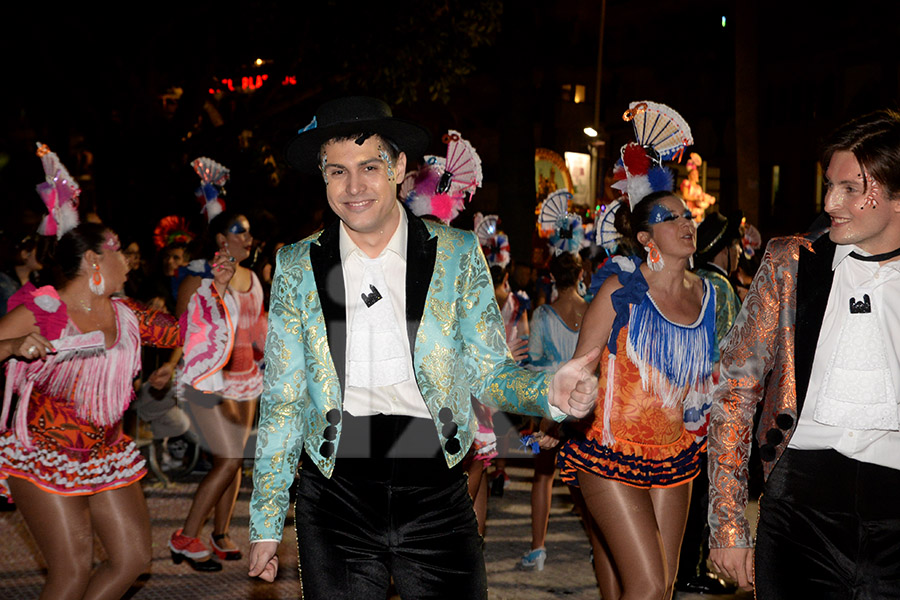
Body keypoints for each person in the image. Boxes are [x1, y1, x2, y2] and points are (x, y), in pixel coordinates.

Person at [246, 96, 599, 598]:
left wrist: (549, 393)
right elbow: (283, 399)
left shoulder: (455, 253)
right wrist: (264, 523)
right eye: (336, 171)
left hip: (437, 487)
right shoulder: (297, 265)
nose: (353, 187)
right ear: (323, 179)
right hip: (335, 494)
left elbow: (488, 370)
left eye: (369, 167)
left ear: (398, 168)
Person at [708, 109, 900, 599]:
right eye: (828, 184)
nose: (830, 202)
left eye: (850, 189)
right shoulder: (790, 266)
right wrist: (728, 525)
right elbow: (734, 393)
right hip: (799, 511)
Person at [0, 220, 230, 599]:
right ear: (93, 258)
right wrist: (11, 346)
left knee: (132, 559)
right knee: (72, 571)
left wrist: (216, 288)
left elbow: (184, 333)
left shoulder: (127, 314)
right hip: (44, 454)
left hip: (106, 453)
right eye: (119, 250)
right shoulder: (44, 309)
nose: (128, 260)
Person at [558, 189, 716, 600]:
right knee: (645, 586)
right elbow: (579, 367)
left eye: (688, 216)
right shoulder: (619, 289)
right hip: (609, 449)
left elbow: (711, 376)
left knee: (663, 586)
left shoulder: (707, 295)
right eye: (671, 218)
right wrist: (553, 417)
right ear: (646, 239)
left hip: (672, 453)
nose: (687, 224)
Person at [168, 208, 266, 571]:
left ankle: (219, 534)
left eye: (250, 232)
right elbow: (183, 330)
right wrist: (168, 365)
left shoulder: (253, 278)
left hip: (247, 378)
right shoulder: (199, 278)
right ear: (221, 239)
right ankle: (186, 535)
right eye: (240, 232)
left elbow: (257, 331)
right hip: (210, 380)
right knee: (229, 460)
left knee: (233, 460)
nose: (248, 238)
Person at [674, 209, 744, 594]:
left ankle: (679, 563)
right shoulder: (721, 288)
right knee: (702, 491)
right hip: (707, 407)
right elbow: (732, 355)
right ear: (726, 249)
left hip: (678, 403)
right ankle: (690, 566)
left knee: (684, 487)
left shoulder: (691, 281)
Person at [519, 250, 588, 571]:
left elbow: (533, 366)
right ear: (580, 276)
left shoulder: (544, 315)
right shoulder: (591, 311)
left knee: (544, 476)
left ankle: (538, 549)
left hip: (551, 403)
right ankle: (597, 544)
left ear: (551, 279)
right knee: (587, 478)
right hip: (586, 405)